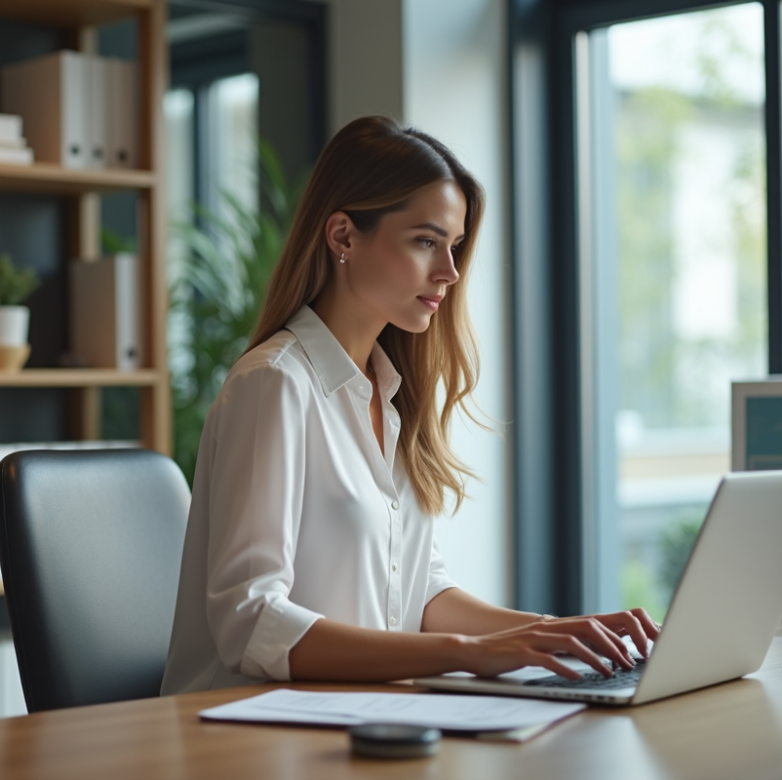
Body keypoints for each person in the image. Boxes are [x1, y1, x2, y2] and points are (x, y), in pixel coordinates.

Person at [160, 115, 660, 696]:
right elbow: (250, 623)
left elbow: (420, 592)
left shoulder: (390, 392)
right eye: (426, 241)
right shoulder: (274, 385)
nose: (448, 273)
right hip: (244, 736)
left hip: (360, 721)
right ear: (343, 236)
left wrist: (556, 633)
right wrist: (468, 655)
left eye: (454, 246)